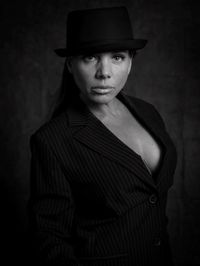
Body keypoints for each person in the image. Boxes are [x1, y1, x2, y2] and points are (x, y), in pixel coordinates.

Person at [29, 6, 177, 266]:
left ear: (130, 62)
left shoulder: (148, 112)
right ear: (70, 64)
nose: (104, 72)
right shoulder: (52, 140)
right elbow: (49, 238)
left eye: (117, 57)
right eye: (90, 57)